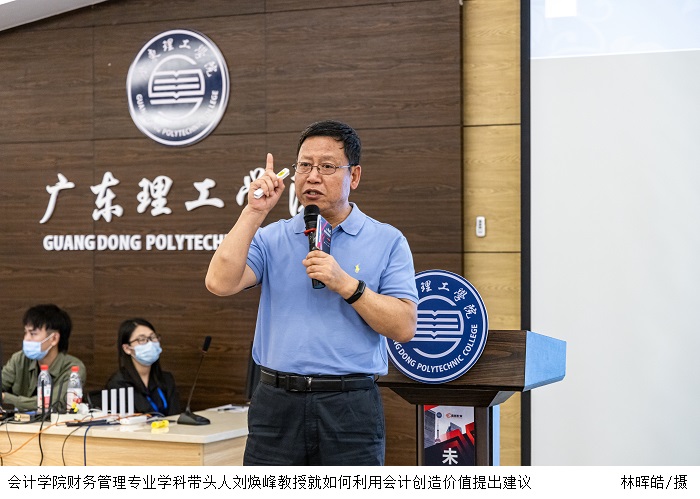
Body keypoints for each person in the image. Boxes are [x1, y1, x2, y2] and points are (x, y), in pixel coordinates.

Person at [205, 120, 418, 465]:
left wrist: (346, 284)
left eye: (327, 167)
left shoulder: (387, 240)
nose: (312, 177)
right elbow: (219, 282)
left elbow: (404, 326)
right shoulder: (273, 236)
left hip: (349, 408)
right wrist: (254, 212)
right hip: (276, 405)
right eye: (304, 165)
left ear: (354, 176)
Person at [1, 304, 86, 413]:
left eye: (33, 334)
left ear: (54, 338)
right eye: (26, 332)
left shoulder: (73, 369)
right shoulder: (19, 359)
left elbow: (52, 403)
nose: (26, 339)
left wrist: (5, 398)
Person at [105, 318, 181, 416]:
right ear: (127, 348)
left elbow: (175, 416)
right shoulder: (118, 384)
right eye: (142, 340)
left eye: (153, 337)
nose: (150, 343)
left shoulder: (166, 379)